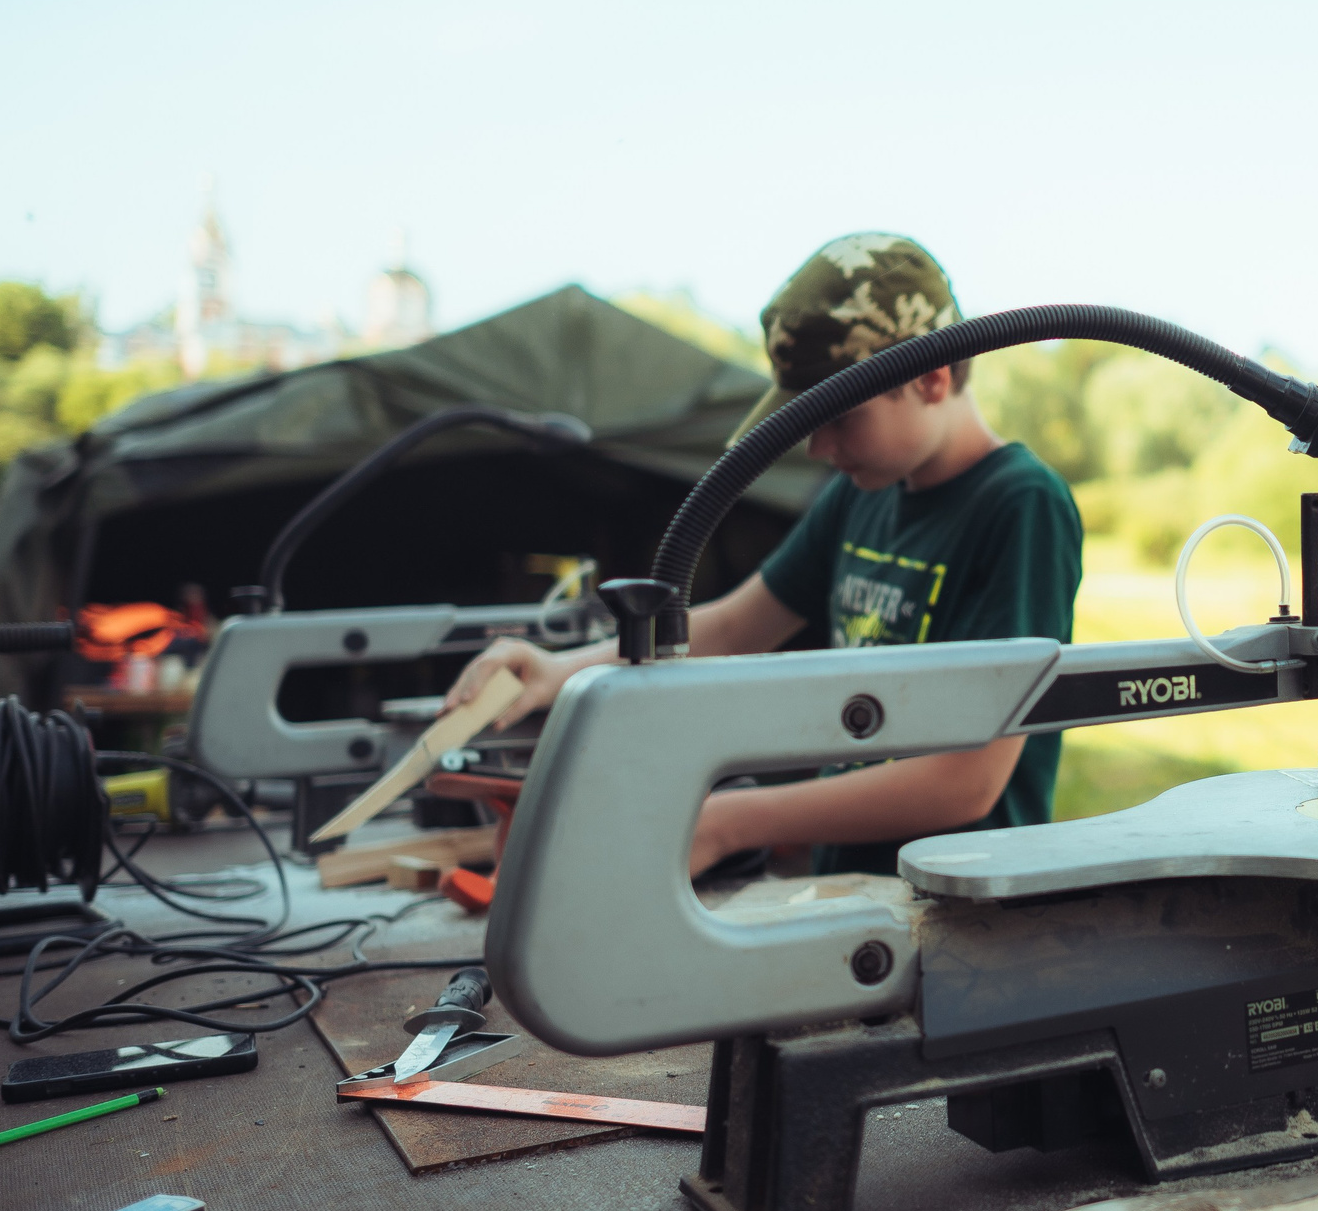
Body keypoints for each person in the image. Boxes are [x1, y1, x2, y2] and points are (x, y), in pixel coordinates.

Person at [446, 232, 1082, 877]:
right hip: (851, 885)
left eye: (840, 418)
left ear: (931, 378)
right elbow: (733, 627)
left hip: (959, 898)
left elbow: (968, 783)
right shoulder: (860, 495)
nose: (817, 448)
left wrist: (727, 824)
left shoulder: (1020, 504)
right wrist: (562, 672)